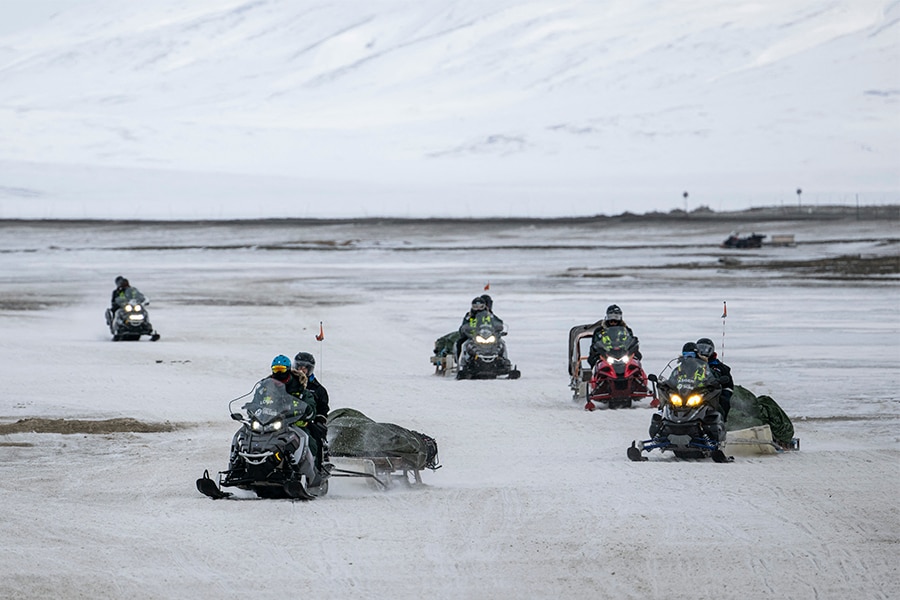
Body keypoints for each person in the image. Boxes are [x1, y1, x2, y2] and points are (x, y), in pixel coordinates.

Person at [266, 355, 323, 485]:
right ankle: (239, 465)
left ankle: (312, 473)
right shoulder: (267, 386)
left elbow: (310, 405)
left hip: (295, 424)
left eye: (281, 369)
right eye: (276, 370)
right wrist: (251, 407)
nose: (278, 373)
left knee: (312, 442)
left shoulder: (300, 386)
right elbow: (258, 400)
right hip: (269, 424)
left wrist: (306, 411)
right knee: (245, 434)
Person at [293, 351, 330, 471]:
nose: (301, 370)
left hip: (308, 421)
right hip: (286, 419)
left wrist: (319, 419)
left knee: (316, 436)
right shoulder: (288, 383)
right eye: (299, 367)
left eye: (305, 368)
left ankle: (317, 469)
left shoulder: (317, 389)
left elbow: (323, 408)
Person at [696, 337, 732, 420]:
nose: (703, 351)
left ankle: (720, 421)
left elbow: (728, 386)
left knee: (724, 402)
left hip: (712, 393)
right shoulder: (691, 364)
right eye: (700, 348)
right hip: (692, 391)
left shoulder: (721, 367)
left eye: (706, 349)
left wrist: (723, 391)